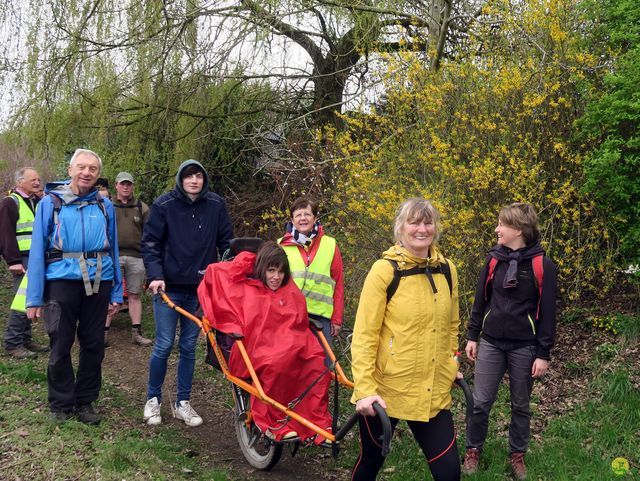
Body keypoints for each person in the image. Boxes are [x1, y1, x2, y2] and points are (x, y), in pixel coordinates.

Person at [350, 198, 461, 481]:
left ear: (435, 227)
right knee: (369, 465)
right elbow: (364, 335)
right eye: (414, 222)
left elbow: (451, 325)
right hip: (385, 391)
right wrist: (365, 390)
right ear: (401, 227)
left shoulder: (447, 269)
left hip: (431, 390)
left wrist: (451, 361)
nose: (421, 229)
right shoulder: (384, 271)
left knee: (449, 473)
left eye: (427, 222)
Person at [198, 241, 333, 443]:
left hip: (293, 342)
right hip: (259, 347)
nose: (276, 277)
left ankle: (315, 423)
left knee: (317, 364)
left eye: (280, 272)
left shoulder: (289, 289)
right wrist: (247, 262)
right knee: (276, 365)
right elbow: (216, 275)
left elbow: (297, 319)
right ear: (262, 269)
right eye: (271, 270)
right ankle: (274, 422)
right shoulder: (248, 288)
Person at [26, 149, 123, 424]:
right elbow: (36, 251)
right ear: (70, 170)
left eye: (92, 169)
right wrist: (34, 298)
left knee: (93, 344)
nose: (86, 173)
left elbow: (112, 249)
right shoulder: (50, 203)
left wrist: (116, 291)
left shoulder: (105, 206)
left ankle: (85, 401)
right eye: (81, 167)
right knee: (60, 341)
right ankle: (60, 402)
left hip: (99, 281)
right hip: (62, 280)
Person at [462, 202, 557, 480]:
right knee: (480, 402)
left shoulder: (542, 265)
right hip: (491, 342)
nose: (497, 229)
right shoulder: (494, 260)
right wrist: (472, 335)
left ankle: (517, 455)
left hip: (524, 346)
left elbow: (548, 312)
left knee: (520, 405)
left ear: (517, 229)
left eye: (502, 224)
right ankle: (473, 450)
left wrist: (543, 353)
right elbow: (481, 299)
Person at [142, 159, 233, 427]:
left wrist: (223, 274)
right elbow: (150, 243)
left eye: (199, 176)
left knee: (189, 347)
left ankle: (183, 402)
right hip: (168, 288)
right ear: (181, 179)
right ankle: (153, 400)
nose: (194, 181)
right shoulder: (164, 205)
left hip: (200, 290)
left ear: (204, 180)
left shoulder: (215, 205)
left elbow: (227, 243)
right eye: (189, 176)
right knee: (164, 343)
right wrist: (155, 275)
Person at [278, 197, 344, 348]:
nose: (303, 219)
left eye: (307, 214)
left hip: (321, 318)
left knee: (325, 364)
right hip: (289, 315)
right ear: (292, 220)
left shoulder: (330, 244)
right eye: (298, 215)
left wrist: (337, 318)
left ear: (315, 217)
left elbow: (338, 282)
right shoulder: (280, 245)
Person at [0, 167, 49, 359]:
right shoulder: (10, 203)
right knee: (23, 301)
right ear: (20, 182)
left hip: (36, 258)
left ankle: (26, 339)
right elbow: (5, 234)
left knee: (32, 298)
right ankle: (13, 343)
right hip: (22, 259)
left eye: (38, 179)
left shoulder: (37, 201)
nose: (37, 183)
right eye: (33, 180)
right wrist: (13, 261)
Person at [104, 171, 152, 347]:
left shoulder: (142, 207)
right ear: (116, 185)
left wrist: (149, 257)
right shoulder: (106, 205)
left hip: (136, 257)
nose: (125, 187)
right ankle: (102, 334)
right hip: (111, 257)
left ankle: (136, 333)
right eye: (122, 184)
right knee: (108, 295)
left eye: (129, 184)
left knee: (134, 294)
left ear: (133, 186)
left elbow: (150, 234)